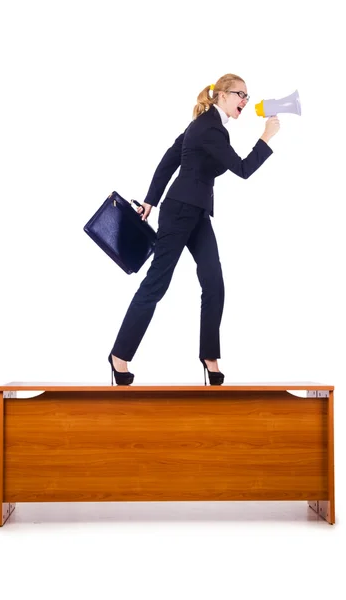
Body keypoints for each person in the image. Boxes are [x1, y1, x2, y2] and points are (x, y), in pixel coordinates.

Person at [108, 73, 280, 386]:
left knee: (214, 282)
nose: (245, 101)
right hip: (179, 213)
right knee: (156, 284)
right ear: (224, 94)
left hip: (196, 213)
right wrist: (267, 137)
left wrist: (150, 201)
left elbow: (171, 158)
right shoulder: (208, 127)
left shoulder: (205, 125)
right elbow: (242, 169)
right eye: (241, 94)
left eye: (247, 95)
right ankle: (119, 355)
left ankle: (209, 357)